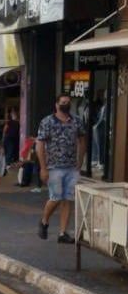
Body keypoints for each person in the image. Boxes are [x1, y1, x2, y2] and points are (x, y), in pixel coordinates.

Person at [37, 94, 86, 244]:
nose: (66, 104)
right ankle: (44, 221)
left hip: (71, 167)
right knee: (56, 197)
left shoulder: (76, 121)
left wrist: (80, 161)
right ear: (57, 104)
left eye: (68, 102)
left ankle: (62, 233)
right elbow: (40, 145)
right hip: (54, 167)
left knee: (68, 199)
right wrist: (43, 168)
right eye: (63, 102)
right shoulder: (47, 122)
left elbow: (82, 140)